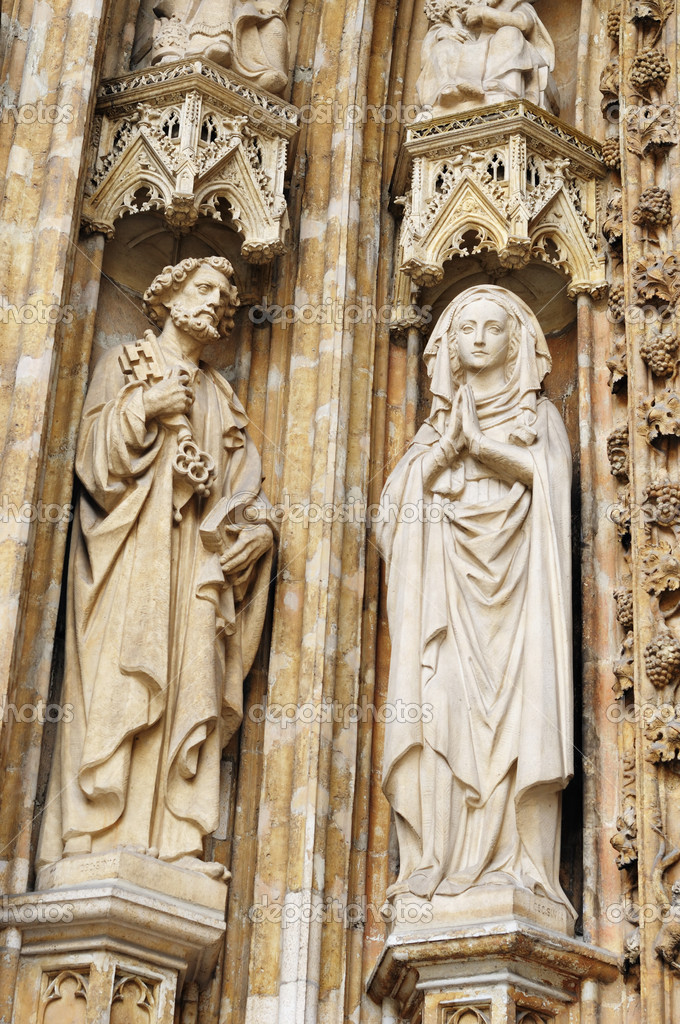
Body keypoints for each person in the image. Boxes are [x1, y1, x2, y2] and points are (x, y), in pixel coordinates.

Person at [37, 257, 274, 879]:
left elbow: (245, 489)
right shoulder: (125, 366)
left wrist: (258, 532)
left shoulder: (222, 397)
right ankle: (96, 833)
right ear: (167, 297)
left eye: (223, 296)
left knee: (190, 686)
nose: (212, 302)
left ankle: (173, 843)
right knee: (123, 680)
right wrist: (143, 408)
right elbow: (91, 463)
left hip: (194, 567)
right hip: (131, 560)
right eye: (201, 288)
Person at [376, 286, 574, 914]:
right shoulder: (432, 433)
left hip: (518, 609)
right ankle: (440, 858)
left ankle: (517, 866)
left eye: (495, 327)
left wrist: (478, 448)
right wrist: (442, 453)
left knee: (520, 721)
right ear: (451, 346)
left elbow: (552, 489)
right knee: (442, 710)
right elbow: (391, 519)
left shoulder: (537, 418)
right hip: (449, 601)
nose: (481, 337)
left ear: (516, 341)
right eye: (468, 329)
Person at [416, 0, 554, 114]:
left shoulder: (513, 3)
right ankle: (450, 91)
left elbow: (524, 23)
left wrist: (484, 13)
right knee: (443, 47)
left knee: (510, 34)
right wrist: (443, 33)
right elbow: (435, 35)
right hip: (466, 50)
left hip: (496, 49)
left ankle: (502, 87)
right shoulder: (461, 8)